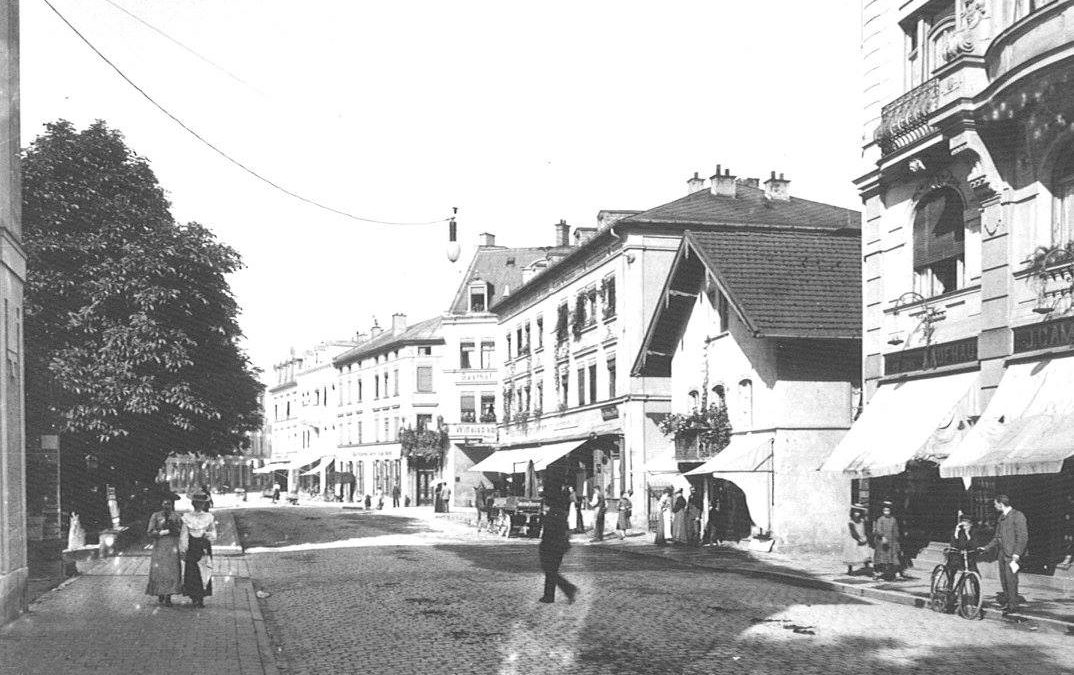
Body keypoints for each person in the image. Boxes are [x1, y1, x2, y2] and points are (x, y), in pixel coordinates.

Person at [979, 494, 1028, 614]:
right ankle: (1008, 602)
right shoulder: (1001, 517)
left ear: (1001, 504)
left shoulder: (1018, 516)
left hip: (1012, 555)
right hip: (1002, 554)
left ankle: (1013, 606)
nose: (995, 506)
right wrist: (986, 548)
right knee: (1004, 580)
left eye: (995, 504)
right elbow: (997, 537)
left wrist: (1017, 554)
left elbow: (1023, 537)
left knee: (1011, 580)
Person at [538, 486, 578, 604]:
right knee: (551, 571)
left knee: (550, 570)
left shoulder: (553, 514)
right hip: (558, 546)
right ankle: (551, 595)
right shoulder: (560, 513)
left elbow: (549, 532)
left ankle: (562, 591)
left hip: (552, 546)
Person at [180, 490, 217, 608]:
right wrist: (183, 548)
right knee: (192, 571)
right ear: (193, 503)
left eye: (201, 503)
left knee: (205, 569)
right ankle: (194, 596)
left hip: (204, 545)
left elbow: (213, 532)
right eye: (197, 503)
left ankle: (201, 597)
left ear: (204, 504)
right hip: (192, 546)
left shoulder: (208, 517)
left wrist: (208, 535)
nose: (199, 505)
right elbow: (184, 534)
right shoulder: (187, 517)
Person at [145, 493, 183, 606]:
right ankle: (160, 592)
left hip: (172, 546)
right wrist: (161, 532)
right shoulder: (156, 516)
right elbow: (150, 532)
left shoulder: (177, 516)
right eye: (165, 503)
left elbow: (181, 530)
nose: (167, 506)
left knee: (171, 570)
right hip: (160, 546)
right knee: (160, 570)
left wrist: (174, 529)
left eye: (169, 504)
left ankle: (168, 595)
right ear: (161, 504)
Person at [872, 500, 906, 581]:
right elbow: (878, 529)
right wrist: (882, 536)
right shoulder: (880, 519)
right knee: (882, 558)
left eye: (888, 510)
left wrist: (897, 540)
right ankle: (879, 574)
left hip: (892, 542)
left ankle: (897, 574)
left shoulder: (893, 520)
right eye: (884, 510)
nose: (886, 512)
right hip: (882, 543)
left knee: (894, 558)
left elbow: (895, 530)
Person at [946, 511, 981, 588]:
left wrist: (968, 535)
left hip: (968, 556)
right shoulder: (958, 531)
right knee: (953, 567)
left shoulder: (973, 532)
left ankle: (977, 594)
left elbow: (974, 546)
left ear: (971, 524)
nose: (965, 525)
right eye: (963, 522)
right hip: (957, 554)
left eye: (967, 523)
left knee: (975, 572)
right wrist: (956, 533)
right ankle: (950, 585)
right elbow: (953, 545)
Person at [843, 503, 871, 576]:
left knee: (865, 552)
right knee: (852, 554)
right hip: (853, 539)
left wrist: (865, 537)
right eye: (855, 512)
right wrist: (858, 538)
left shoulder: (862, 520)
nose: (857, 514)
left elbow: (865, 529)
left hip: (862, 537)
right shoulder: (851, 522)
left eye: (858, 512)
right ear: (852, 512)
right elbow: (853, 532)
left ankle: (866, 567)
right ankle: (850, 569)